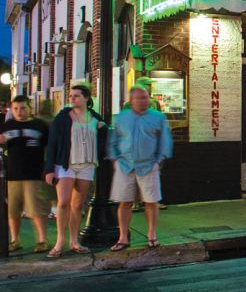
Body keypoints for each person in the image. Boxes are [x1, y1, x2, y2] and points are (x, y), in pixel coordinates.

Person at [44, 84, 106, 258]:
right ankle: (59, 242)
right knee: (63, 202)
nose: (72, 98)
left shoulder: (94, 117)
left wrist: (103, 130)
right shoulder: (63, 117)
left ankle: (74, 241)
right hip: (66, 164)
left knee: (78, 205)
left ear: (86, 98)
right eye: (71, 96)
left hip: (86, 164)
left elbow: (102, 138)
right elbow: (53, 142)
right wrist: (49, 169)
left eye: (76, 96)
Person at [107, 86, 173, 251]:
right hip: (125, 165)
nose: (145, 101)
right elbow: (113, 140)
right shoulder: (122, 118)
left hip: (148, 164)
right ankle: (123, 237)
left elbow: (165, 139)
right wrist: (115, 158)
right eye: (140, 98)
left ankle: (152, 235)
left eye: (146, 97)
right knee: (125, 202)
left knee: (151, 201)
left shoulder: (157, 117)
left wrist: (159, 160)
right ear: (131, 100)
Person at [0, 95, 50, 253]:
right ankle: (15, 240)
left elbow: (47, 148)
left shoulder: (39, 126)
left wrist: (47, 167)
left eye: (22, 108)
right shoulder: (7, 126)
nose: (19, 112)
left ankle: (42, 240)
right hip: (13, 174)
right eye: (15, 109)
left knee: (36, 209)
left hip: (34, 173)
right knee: (13, 210)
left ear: (29, 108)